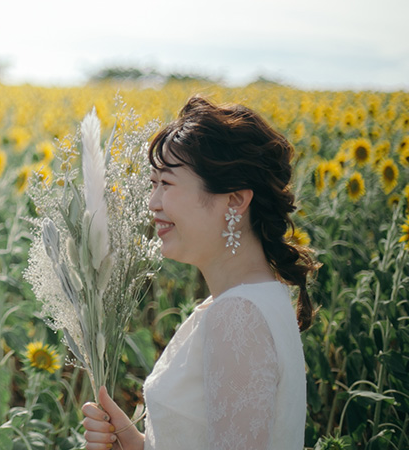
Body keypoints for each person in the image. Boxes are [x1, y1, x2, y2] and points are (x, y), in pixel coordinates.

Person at [81, 95, 318, 450]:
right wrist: (137, 445)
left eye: (167, 184)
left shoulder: (238, 315)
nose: (153, 202)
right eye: (153, 184)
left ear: (235, 200)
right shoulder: (251, 300)